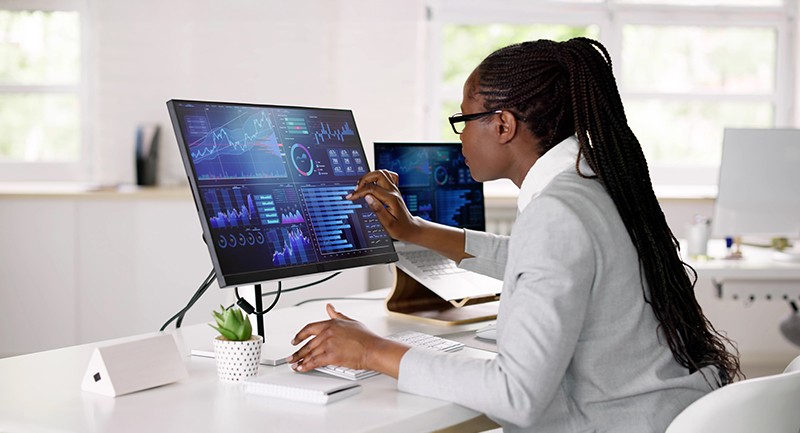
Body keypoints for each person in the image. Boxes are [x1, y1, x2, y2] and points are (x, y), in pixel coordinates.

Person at [288, 37, 741, 432]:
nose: (461, 138)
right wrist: (415, 230)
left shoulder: (557, 211)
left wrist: (371, 350)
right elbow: (535, 259)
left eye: (465, 120)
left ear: (503, 125)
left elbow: (515, 394)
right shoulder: (592, 184)